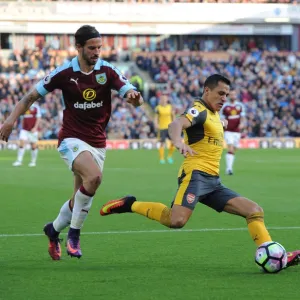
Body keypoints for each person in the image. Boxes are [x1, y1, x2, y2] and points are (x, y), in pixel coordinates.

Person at [100, 74, 300, 268]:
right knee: (176, 220)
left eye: (226, 95)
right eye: (220, 93)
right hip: (195, 176)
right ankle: (130, 204)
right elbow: (176, 123)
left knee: (254, 211)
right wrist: (178, 142)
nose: (224, 99)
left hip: (213, 182)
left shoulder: (214, 115)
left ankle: (275, 256)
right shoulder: (199, 110)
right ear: (207, 90)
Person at [0, 25, 143, 260]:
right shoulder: (65, 73)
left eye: (99, 47)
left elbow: (130, 94)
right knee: (94, 178)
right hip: (71, 139)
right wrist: (10, 121)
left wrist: (134, 98)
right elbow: (30, 97)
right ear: (78, 47)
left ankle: (53, 229)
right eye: (92, 48)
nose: (97, 52)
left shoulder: (107, 70)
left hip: (97, 142)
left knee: (79, 196)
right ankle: (74, 235)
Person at [220, 90, 246, 175]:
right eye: (231, 95)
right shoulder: (225, 107)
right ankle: (229, 169)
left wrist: (242, 124)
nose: (233, 96)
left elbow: (242, 117)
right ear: (228, 96)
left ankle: (229, 165)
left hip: (237, 131)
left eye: (234, 94)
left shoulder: (240, 106)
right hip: (228, 131)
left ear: (236, 96)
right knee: (230, 148)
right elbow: (222, 119)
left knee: (234, 149)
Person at [154, 92, 176, 164]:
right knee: (162, 143)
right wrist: (156, 124)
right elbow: (156, 117)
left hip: (170, 128)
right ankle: (162, 158)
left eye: (165, 98)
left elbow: (173, 116)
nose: (164, 99)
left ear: (167, 99)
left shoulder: (170, 107)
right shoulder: (158, 108)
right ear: (160, 99)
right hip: (162, 128)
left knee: (173, 143)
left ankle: (169, 156)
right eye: (162, 98)